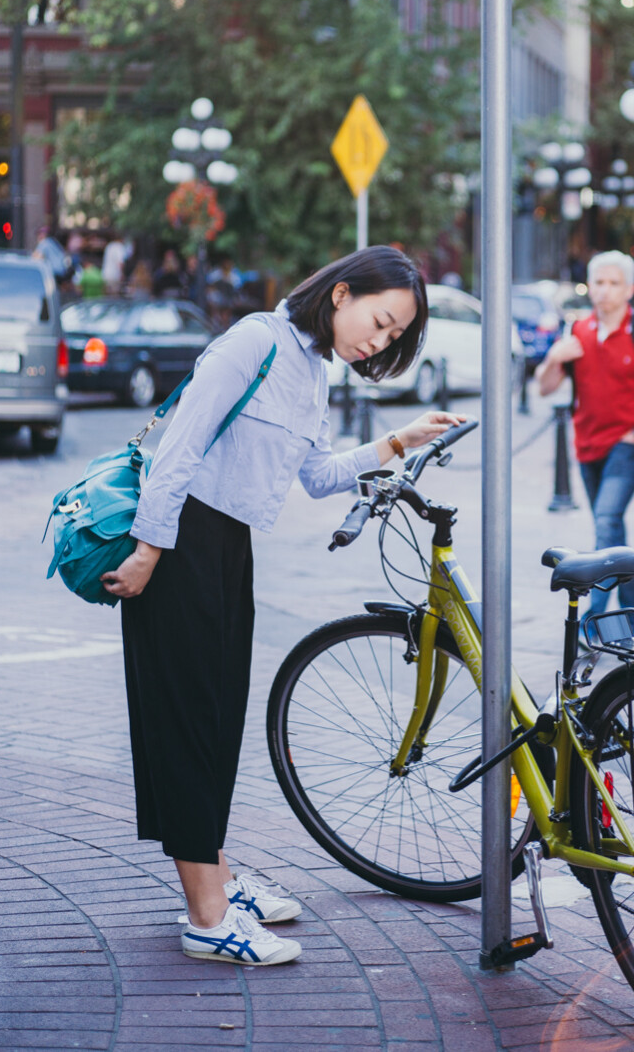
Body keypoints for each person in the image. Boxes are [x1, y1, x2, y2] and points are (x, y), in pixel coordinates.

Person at [102, 246, 463, 966]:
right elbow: (180, 446)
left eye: (393, 337)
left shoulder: (312, 369)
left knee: (218, 718)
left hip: (227, 545)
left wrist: (399, 439)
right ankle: (207, 916)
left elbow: (318, 476)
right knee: (187, 724)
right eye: (382, 320)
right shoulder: (254, 341)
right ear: (342, 293)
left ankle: (219, 878)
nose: (380, 340)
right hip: (178, 542)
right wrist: (148, 548)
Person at [536, 250, 634, 622]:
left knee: (605, 521)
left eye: (613, 283)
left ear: (629, 289)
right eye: (599, 283)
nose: (605, 291)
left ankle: (594, 619)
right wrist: (555, 357)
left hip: (628, 448)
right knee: (612, 534)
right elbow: (545, 388)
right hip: (587, 446)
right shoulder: (578, 332)